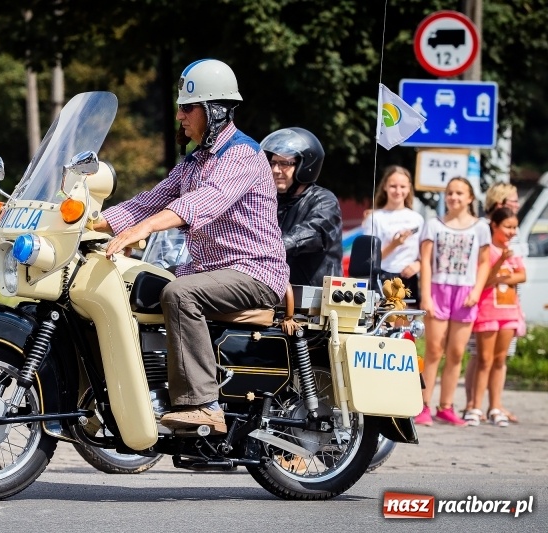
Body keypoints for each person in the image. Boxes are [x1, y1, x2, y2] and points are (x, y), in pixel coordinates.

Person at [93, 59, 289, 435]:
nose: (179, 115)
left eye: (188, 107)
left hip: (254, 271)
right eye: (179, 107)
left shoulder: (243, 156)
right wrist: (84, 221)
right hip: (210, 271)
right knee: (134, 288)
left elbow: (202, 203)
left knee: (180, 294)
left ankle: (203, 404)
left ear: (214, 110)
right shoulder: (194, 162)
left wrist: (143, 230)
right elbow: (147, 202)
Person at [416, 177, 490, 426]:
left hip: (466, 291)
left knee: (457, 352)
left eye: (460, 193)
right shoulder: (433, 225)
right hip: (438, 288)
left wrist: (477, 291)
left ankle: (446, 406)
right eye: (450, 193)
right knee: (434, 350)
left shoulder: (481, 227)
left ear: (470, 197)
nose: (454, 197)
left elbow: (484, 262)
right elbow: (425, 261)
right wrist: (425, 294)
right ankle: (423, 404)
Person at [463, 182, 523, 424]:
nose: (517, 204)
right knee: (480, 358)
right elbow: (486, 275)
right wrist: (498, 274)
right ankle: (472, 404)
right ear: (499, 205)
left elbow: (521, 272)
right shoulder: (484, 234)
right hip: (487, 307)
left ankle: (495, 405)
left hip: (508, 307)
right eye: (513, 200)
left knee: (499, 359)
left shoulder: (510, 243)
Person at [259, 127, 342, 287]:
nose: (276, 170)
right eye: (273, 163)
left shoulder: (324, 200)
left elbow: (314, 232)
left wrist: (275, 246)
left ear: (306, 165)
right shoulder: (268, 200)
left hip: (313, 299)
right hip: (272, 291)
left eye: (284, 163)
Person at [362, 166, 425, 304]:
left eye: (402, 186)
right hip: (383, 276)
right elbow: (370, 259)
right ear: (385, 187)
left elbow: (424, 253)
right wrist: (394, 244)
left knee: (406, 322)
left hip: (409, 277)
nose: (398, 191)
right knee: (385, 323)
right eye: (393, 186)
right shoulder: (375, 218)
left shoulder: (417, 218)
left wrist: (418, 265)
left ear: (409, 188)